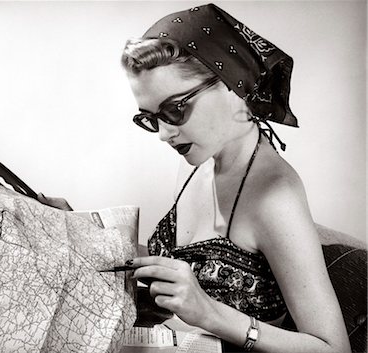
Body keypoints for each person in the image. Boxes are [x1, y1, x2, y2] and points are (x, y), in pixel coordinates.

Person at [119, 3, 351, 353]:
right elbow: (192, 260)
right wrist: (86, 230)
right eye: (151, 118)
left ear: (230, 83)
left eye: (174, 110)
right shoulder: (197, 157)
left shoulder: (275, 197)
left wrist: (210, 313)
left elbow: (333, 349)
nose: (164, 134)